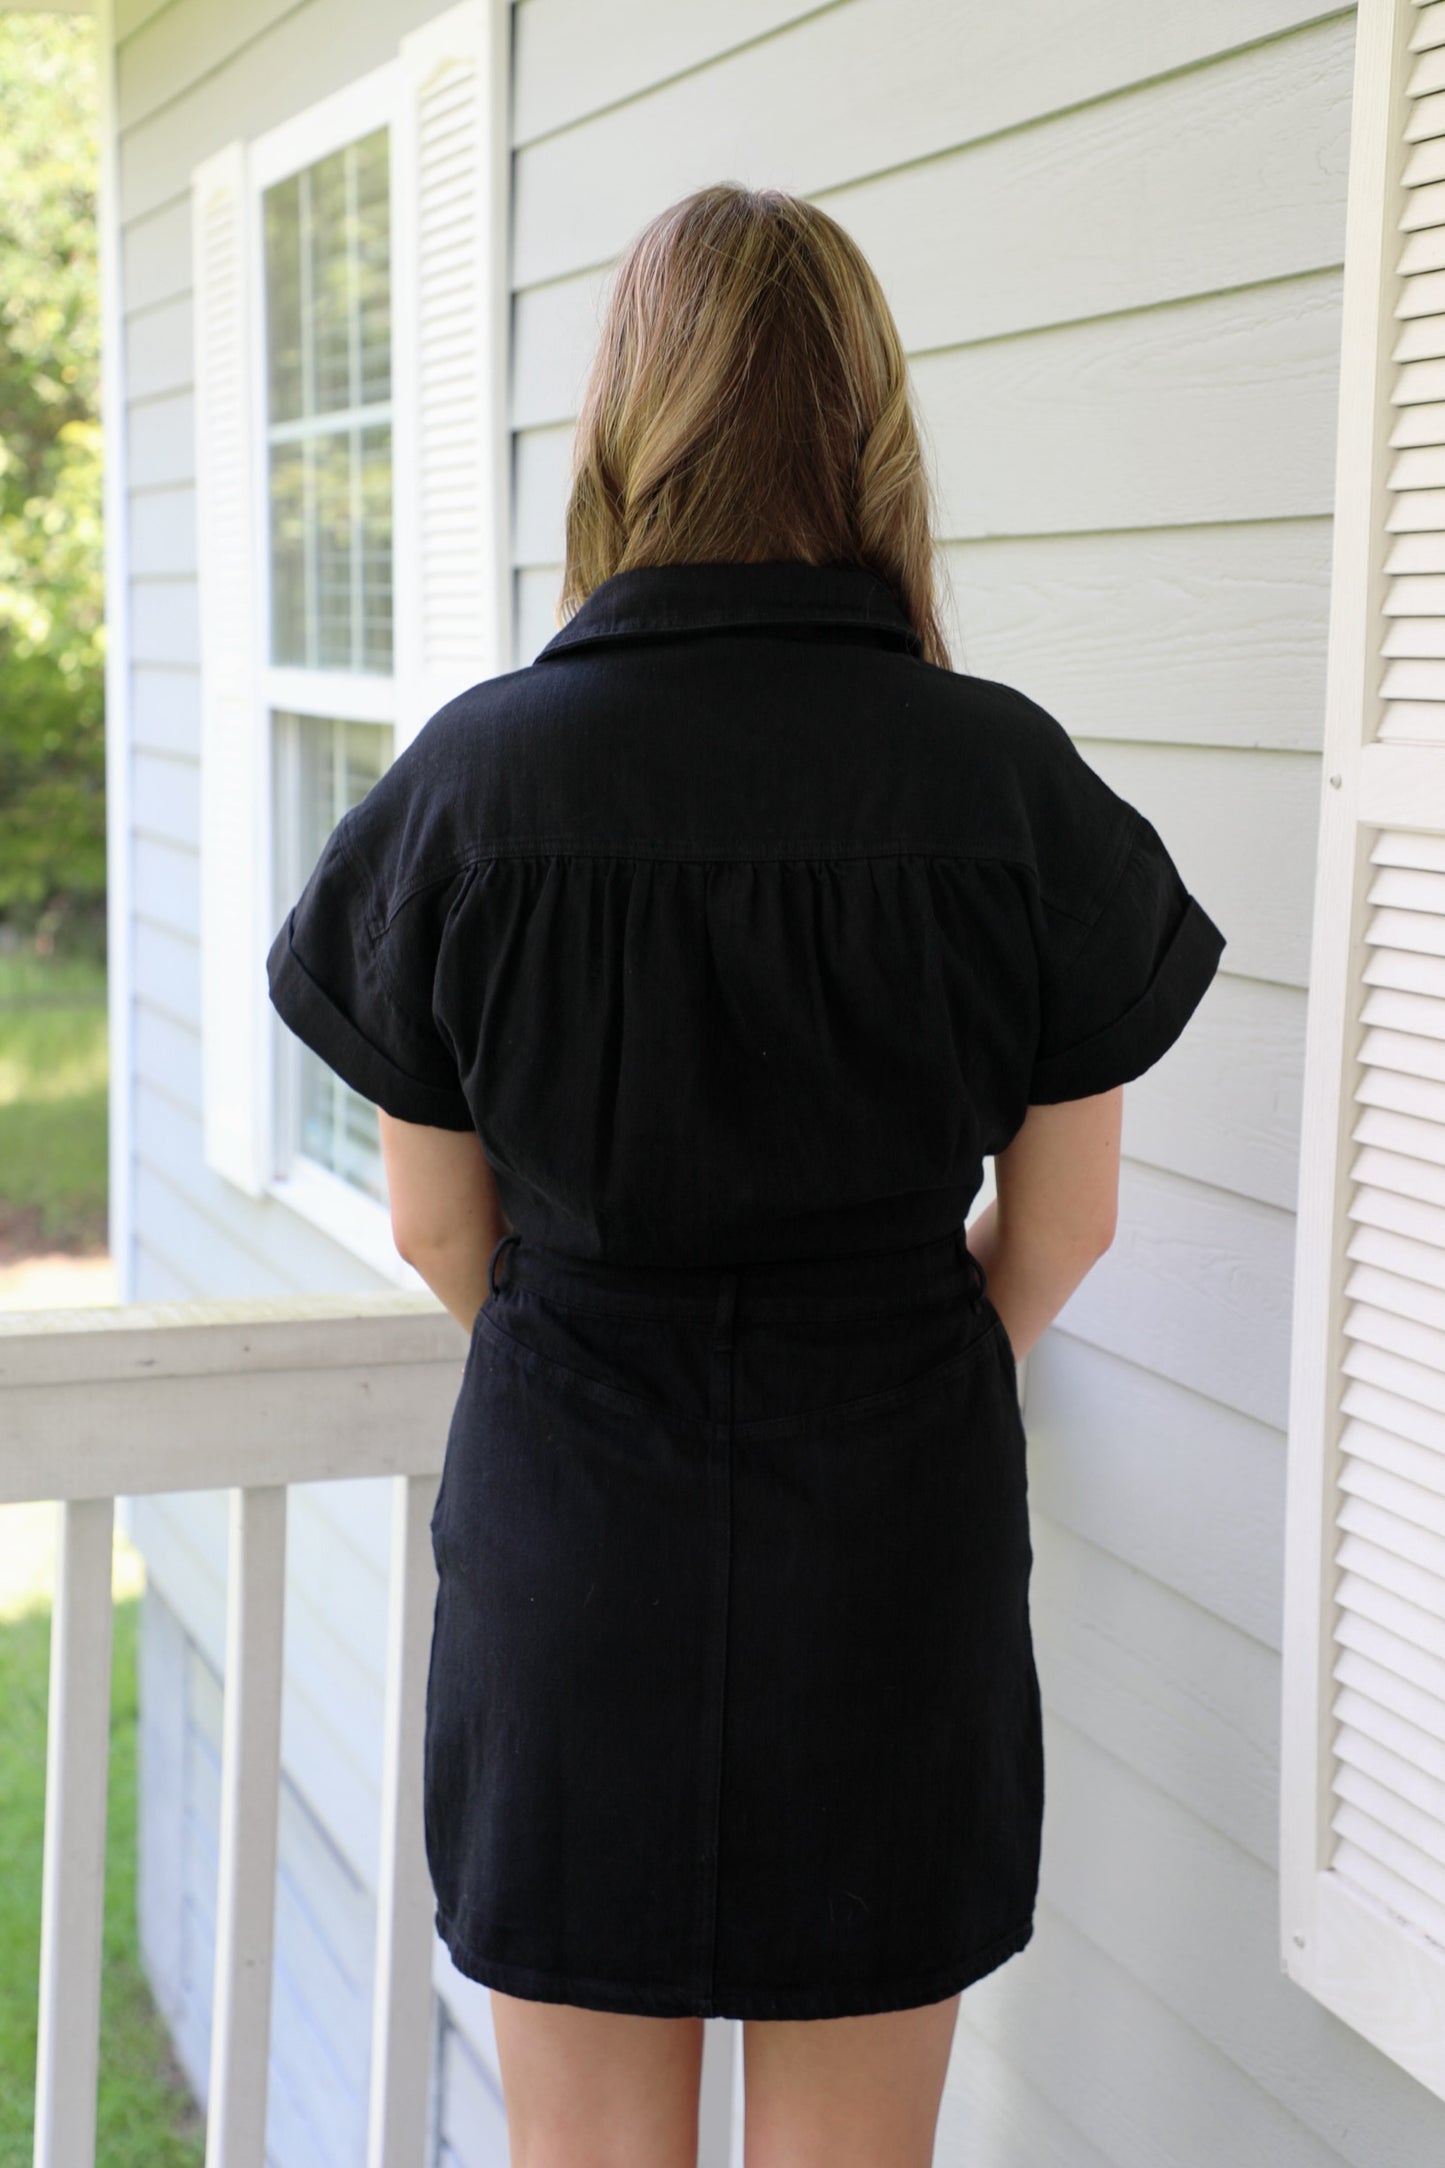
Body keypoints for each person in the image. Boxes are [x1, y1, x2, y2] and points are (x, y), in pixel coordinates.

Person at [268, 182, 1225, 2168]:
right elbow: (1068, 1227)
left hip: (571, 1542)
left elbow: (443, 1224)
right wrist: (899, 1342)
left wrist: (597, 1330)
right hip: (888, 1536)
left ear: (628, 431)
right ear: (872, 433)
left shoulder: (475, 781)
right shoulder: (1002, 782)